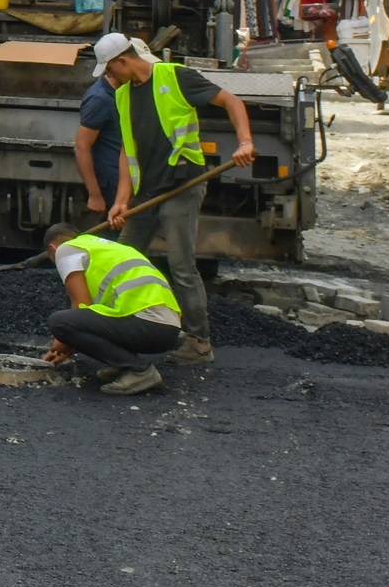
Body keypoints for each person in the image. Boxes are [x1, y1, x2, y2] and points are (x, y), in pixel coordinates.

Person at [76, 30, 255, 364]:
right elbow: (127, 153)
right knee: (122, 259)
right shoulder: (123, 96)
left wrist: (244, 142)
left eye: (111, 70)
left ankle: (199, 342)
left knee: (181, 266)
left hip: (182, 185)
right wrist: (121, 200)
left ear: (123, 60)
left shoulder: (175, 77)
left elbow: (232, 101)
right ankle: (117, 329)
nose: (110, 77)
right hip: (148, 191)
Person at [38, 221, 181, 395]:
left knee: (59, 321)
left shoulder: (65, 250)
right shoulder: (104, 248)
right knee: (71, 321)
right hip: (166, 328)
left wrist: (61, 342)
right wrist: (72, 344)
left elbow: (81, 306)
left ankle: (139, 370)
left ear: (52, 249)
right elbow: (96, 320)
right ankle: (123, 363)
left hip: (148, 322)